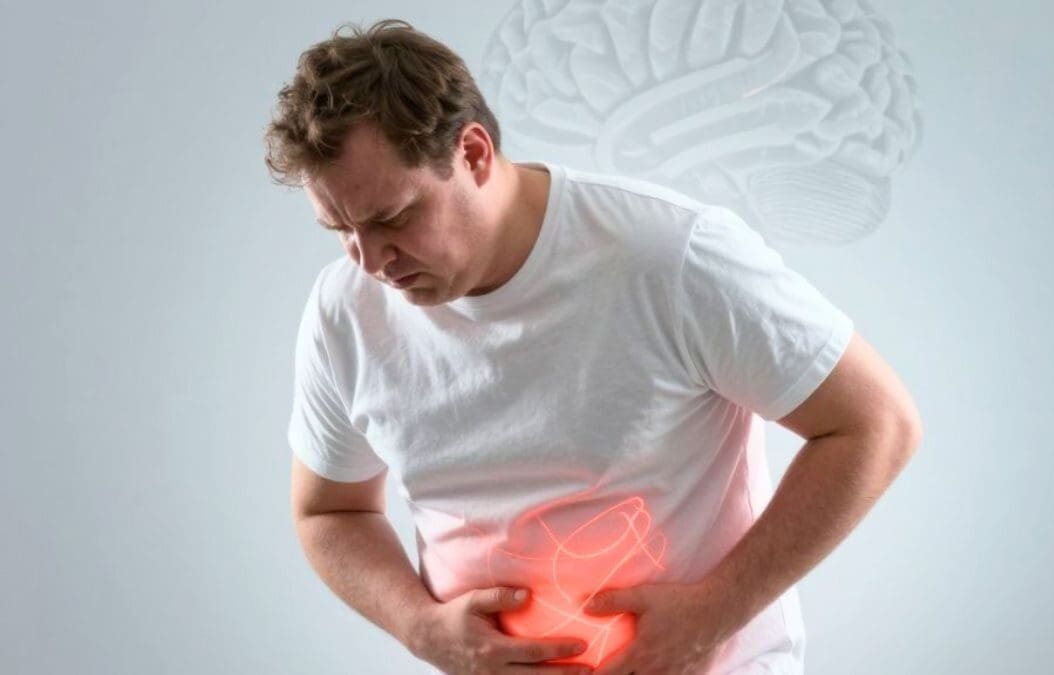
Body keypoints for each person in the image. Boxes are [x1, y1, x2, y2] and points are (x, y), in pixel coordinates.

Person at [265, 18, 922, 675]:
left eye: (394, 217)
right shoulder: (345, 310)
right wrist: (420, 626)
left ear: (473, 153)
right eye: (340, 229)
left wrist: (713, 613)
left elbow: (877, 423)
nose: (371, 260)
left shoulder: (669, 256)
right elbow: (329, 510)